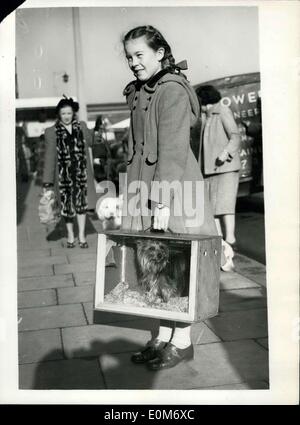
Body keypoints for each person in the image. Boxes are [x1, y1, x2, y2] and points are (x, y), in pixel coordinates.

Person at [121, 25, 218, 370]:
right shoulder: (140, 91)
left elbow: (174, 151)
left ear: (160, 53)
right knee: (152, 270)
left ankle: (182, 342)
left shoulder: (171, 90)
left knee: (176, 268)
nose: (133, 63)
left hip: (173, 193)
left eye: (139, 55)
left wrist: (160, 201)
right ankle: (161, 337)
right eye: (129, 57)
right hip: (143, 191)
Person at [43, 97, 96, 248]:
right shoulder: (51, 132)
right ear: (59, 115)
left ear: (74, 113)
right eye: (63, 113)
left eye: (69, 113)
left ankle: (81, 235)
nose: (66, 116)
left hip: (81, 174)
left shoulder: (82, 127)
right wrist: (47, 182)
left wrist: (96, 131)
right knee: (66, 208)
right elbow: (49, 158)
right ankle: (71, 235)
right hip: (62, 176)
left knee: (81, 205)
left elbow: (92, 141)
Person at [196, 85, 241, 252]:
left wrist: (226, 152)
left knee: (226, 205)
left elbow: (235, 136)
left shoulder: (222, 111)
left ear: (204, 100)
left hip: (226, 168)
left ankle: (231, 239)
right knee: (212, 207)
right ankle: (220, 240)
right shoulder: (205, 115)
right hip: (209, 169)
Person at [92, 115, 112, 182]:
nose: (102, 131)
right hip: (98, 162)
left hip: (104, 162)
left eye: (102, 129)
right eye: (100, 129)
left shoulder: (104, 139)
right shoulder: (95, 136)